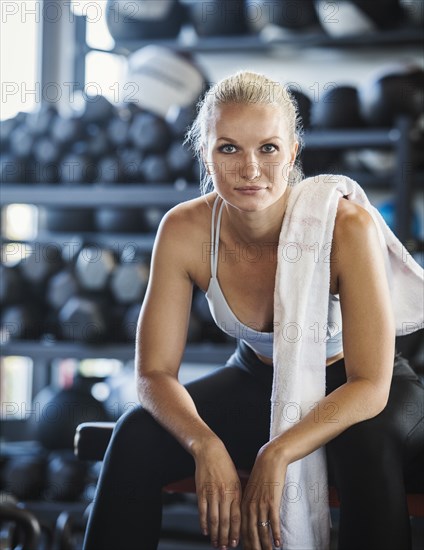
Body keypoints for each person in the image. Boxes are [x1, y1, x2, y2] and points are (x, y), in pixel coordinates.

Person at [83, 71, 424, 550]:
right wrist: (205, 443)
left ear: (293, 152)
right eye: (229, 148)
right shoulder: (184, 230)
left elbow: (370, 384)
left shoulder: (347, 227)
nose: (250, 169)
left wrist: (277, 452)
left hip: (360, 384)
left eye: (267, 148)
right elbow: (155, 373)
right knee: (136, 433)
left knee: (363, 443)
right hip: (254, 378)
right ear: (205, 152)